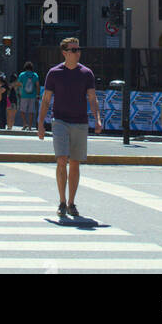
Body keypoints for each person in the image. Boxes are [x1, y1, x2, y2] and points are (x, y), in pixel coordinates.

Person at [38, 37, 102, 219]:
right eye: (73, 50)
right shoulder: (54, 73)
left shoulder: (86, 73)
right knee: (61, 159)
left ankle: (71, 202)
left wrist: (97, 119)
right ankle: (61, 201)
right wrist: (40, 123)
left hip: (80, 122)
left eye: (78, 49)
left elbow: (92, 98)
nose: (77, 52)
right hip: (60, 121)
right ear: (65, 53)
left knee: (75, 162)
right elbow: (46, 100)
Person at [17, 61, 40, 131]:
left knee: (22, 111)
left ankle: (24, 123)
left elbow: (18, 84)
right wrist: (38, 94)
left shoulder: (22, 74)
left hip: (24, 95)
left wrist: (19, 91)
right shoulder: (35, 75)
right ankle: (30, 127)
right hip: (32, 96)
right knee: (31, 111)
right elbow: (38, 86)